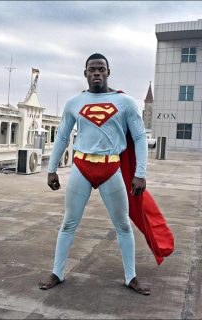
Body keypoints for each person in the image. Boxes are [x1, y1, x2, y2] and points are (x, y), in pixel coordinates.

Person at [39, 53, 150, 295]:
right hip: (81, 166)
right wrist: (51, 169)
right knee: (68, 223)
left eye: (101, 69)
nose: (97, 73)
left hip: (111, 167)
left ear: (108, 72)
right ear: (85, 73)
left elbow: (140, 137)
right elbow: (62, 136)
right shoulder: (74, 103)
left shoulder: (126, 103)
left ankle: (130, 276)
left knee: (122, 225)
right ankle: (57, 272)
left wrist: (140, 173)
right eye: (92, 69)